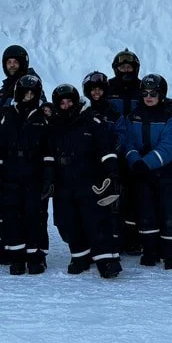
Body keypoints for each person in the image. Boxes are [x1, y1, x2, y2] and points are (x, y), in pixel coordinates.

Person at [48, 84, 122, 278]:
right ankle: (80, 256)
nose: (66, 106)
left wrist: (112, 172)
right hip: (63, 181)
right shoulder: (53, 124)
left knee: (96, 221)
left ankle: (107, 260)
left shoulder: (91, 120)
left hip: (89, 179)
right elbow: (46, 153)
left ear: (76, 101)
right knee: (67, 222)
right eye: (61, 103)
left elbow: (106, 148)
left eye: (69, 101)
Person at [118, 74, 172, 270]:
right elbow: (128, 141)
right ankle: (150, 250)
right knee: (146, 213)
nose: (149, 97)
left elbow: (169, 146)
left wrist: (145, 163)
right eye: (145, 93)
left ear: (161, 94)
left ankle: (171, 253)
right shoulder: (134, 115)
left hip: (167, 172)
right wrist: (134, 160)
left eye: (153, 93)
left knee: (170, 213)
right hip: (142, 172)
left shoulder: (170, 117)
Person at [0, 74, 52, 275]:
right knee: (12, 215)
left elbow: (49, 150)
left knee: (36, 215)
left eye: (32, 93)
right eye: (25, 92)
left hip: (35, 173)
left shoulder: (43, 117)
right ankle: (16, 257)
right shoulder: (7, 114)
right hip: (11, 173)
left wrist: (49, 177)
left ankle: (35, 257)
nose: (28, 96)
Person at [108, 49, 143, 255]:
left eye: (130, 67)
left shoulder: (143, 88)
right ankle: (115, 237)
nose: (126, 70)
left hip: (137, 149)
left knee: (135, 195)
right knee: (113, 195)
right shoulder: (108, 88)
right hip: (114, 149)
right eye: (122, 67)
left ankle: (133, 238)